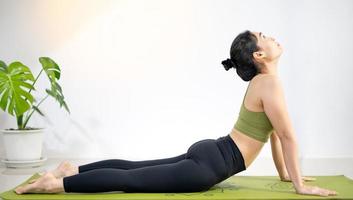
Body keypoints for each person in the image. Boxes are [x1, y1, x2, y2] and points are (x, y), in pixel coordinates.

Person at [15, 30, 337, 197]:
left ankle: (73, 169)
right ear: (259, 54)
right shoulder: (270, 84)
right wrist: (299, 186)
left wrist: (286, 175)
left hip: (211, 151)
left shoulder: (265, 83)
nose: (272, 37)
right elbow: (286, 135)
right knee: (132, 180)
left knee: (134, 169)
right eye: (266, 37)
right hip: (210, 166)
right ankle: (57, 185)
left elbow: (275, 135)